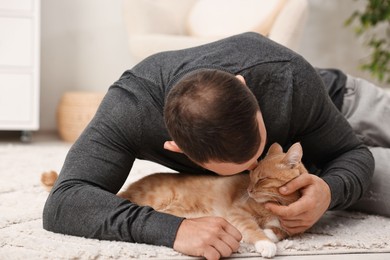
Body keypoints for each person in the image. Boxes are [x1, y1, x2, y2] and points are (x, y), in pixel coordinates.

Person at [43, 32, 390, 259]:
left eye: (260, 151)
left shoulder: (287, 73)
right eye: (245, 166)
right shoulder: (129, 108)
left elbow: (351, 152)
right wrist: (172, 229)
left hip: (342, 104)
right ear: (177, 149)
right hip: (302, 165)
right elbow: (65, 202)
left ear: (243, 85)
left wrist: (330, 190)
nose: (256, 167)